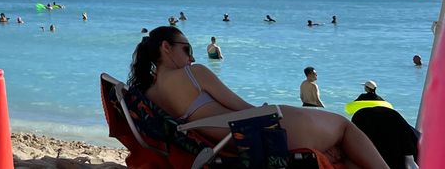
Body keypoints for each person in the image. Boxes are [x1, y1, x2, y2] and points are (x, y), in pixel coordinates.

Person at [129, 27, 387, 169]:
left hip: (227, 144)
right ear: (166, 47)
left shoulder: (149, 96)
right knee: (343, 126)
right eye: (187, 49)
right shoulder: (193, 73)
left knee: (345, 157)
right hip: (257, 136)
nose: (192, 57)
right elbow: (244, 108)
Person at [346, 82, 419, 169]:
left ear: (366, 88)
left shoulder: (361, 111)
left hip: (369, 125)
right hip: (394, 126)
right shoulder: (385, 105)